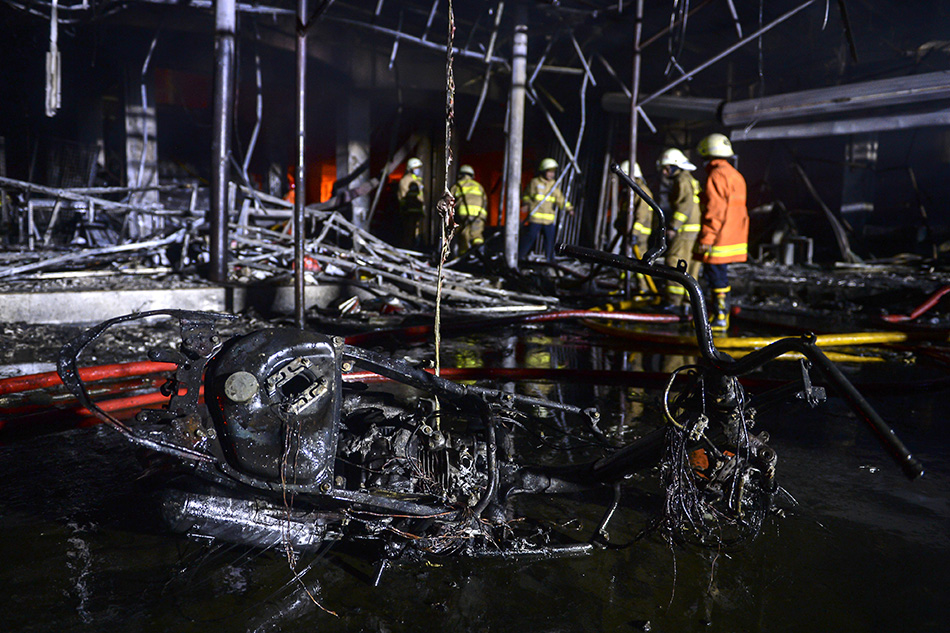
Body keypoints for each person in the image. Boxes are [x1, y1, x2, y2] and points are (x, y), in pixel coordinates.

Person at [694, 133, 748, 330]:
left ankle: (720, 318)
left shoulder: (716, 176)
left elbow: (715, 211)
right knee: (721, 275)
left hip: (718, 236)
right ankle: (722, 316)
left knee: (715, 275)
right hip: (733, 234)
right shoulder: (735, 175)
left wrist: (707, 237)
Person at [657, 148, 703, 312]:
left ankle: (674, 302)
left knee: (674, 262)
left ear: (676, 166)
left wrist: (673, 226)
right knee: (690, 267)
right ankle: (687, 303)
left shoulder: (681, 181)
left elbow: (684, 207)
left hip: (684, 231)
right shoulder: (687, 179)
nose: (664, 172)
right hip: (693, 229)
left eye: (667, 168)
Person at [519, 158, 573, 263]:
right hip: (536, 218)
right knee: (530, 238)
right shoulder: (534, 183)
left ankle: (550, 261)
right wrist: (526, 204)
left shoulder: (554, 185)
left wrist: (569, 208)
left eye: (553, 172)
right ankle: (520, 257)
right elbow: (526, 196)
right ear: (543, 171)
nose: (551, 174)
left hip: (548, 219)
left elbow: (560, 199)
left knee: (550, 241)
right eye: (549, 171)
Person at [616, 160, 654, 294]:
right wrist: (619, 222)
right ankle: (622, 286)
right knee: (625, 258)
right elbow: (626, 210)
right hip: (629, 233)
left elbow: (641, 215)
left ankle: (644, 288)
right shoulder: (630, 190)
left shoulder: (642, 191)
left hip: (639, 235)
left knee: (640, 262)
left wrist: (635, 233)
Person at [451, 164, 488, 255]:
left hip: (464, 214)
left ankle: (464, 257)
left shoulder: (457, 186)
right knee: (477, 235)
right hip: (479, 215)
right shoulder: (479, 186)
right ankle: (480, 254)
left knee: (464, 234)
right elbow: (485, 201)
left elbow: (449, 202)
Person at [397, 157, 425, 248]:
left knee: (415, 235)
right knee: (408, 235)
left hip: (416, 212)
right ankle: (407, 255)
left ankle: (413, 253)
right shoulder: (406, 181)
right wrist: (405, 210)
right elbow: (402, 197)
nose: (418, 170)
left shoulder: (417, 181)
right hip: (409, 212)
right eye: (416, 168)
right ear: (410, 169)